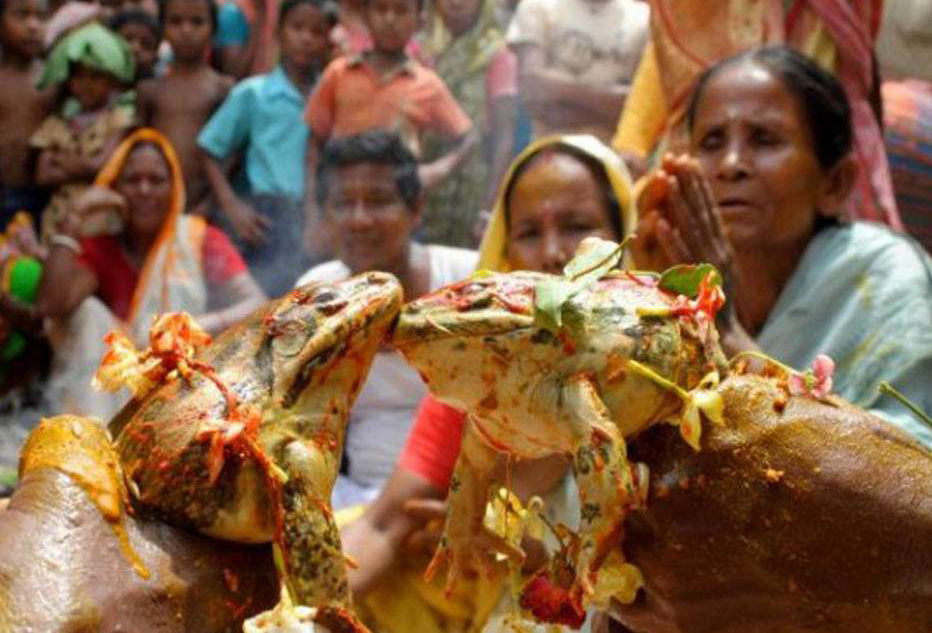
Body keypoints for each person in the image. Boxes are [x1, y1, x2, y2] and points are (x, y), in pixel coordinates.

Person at [339, 134, 635, 632]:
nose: (554, 253)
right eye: (528, 233)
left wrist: (519, 550)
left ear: (621, 237)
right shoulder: (478, 371)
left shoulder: (656, 375)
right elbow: (387, 524)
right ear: (506, 251)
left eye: (579, 227)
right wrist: (292, 615)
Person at [629, 46, 932, 448]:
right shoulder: (665, 279)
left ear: (834, 183)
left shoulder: (881, 277)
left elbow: (908, 471)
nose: (731, 163)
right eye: (712, 141)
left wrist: (722, 330)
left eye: (765, 140)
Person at [296, 130, 478, 511]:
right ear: (326, 216)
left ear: (416, 210)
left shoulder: (468, 281)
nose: (360, 220)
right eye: (344, 204)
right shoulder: (316, 295)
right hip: (350, 503)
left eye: (378, 202)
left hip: (461, 503)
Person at [35, 128, 265, 418]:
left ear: (174, 189)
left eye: (156, 180)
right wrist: (75, 216)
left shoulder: (197, 238)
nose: (144, 190)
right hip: (109, 399)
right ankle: (91, 439)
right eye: (132, 180)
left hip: (182, 390)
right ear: (115, 188)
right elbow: (51, 306)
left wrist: (189, 327)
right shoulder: (103, 247)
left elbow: (257, 302)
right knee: (89, 314)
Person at [612, 0, 902, 229]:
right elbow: (668, 49)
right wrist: (631, 140)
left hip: (810, 168)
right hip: (692, 150)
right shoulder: (661, 218)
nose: (733, 164)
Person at [303, 0, 478, 252]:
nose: (390, 19)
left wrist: (436, 171)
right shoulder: (339, 74)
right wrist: (312, 213)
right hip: (345, 208)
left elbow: (469, 138)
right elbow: (313, 144)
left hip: (398, 211)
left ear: (418, 20)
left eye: (401, 10)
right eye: (381, 9)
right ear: (366, 15)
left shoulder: (426, 84)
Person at [199, 0, 332, 297]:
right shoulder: (254, 92)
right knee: (266, 301)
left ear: (328, 40)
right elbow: (209, 150)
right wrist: (232, 206)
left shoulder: (331, 93)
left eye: (316, 31)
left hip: (316, 213)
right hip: (267, 215)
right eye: (297, 28)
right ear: (279, 34)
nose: (306, 38)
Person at [419, 0, 518, 248]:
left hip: (474, 181)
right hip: (424, 177)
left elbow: (504, 135)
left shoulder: (495, 53)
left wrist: (488, 209)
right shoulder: (421, 50)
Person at [31, 22, 135, 243]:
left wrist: (60, 160)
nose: (86, 85)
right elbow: (43, 174)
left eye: (95, 77)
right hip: (58, 220)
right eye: (79, 76)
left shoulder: (118, 120)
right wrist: (87, 167)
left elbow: (103, 167)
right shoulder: (57, 122)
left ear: (112, 81)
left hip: (101, 222)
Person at [505, 0, 648, 145]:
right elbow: (534, 93)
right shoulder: (538, 6)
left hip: (613, 160)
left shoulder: (643, 18)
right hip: (548, 153)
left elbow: (639, 111)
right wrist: (610, 108)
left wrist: (559, 89)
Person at [137, 0, 233, 215]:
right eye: (176, 22)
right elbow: (139, 151)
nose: (186, 30)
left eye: (197, 22)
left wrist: (209, 204)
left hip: (206, 208)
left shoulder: (222, 88)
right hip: (157, 207)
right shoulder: (150, 90)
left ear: (213, 29)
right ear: (162, 29)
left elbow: (230, 156)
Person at [0, 0, 53, 230]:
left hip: (41, 196)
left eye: (41, 17)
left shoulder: (52, 80)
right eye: (21, 15)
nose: (33, 26)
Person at [108, 8, 161, 81]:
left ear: (156, 55)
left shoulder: (160, 90)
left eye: (146, 44)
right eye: (126, 40)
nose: (135, 49)